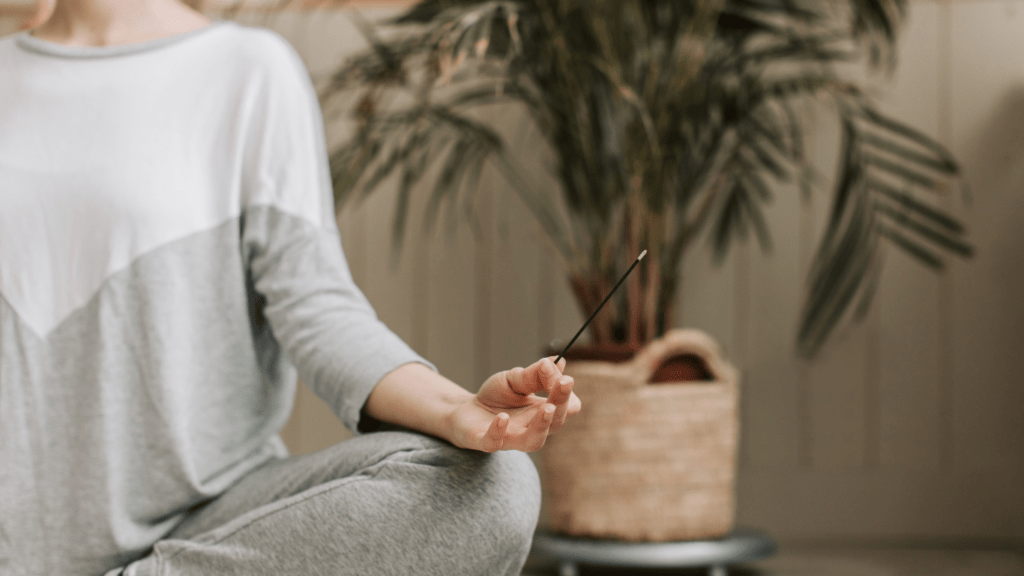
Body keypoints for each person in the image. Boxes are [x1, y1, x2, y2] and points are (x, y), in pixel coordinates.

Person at [0, 0, 582, 574]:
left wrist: (460, 410)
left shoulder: (247, 70)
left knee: (492, 487)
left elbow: (317, 306)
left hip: (214, 524)